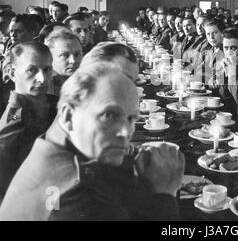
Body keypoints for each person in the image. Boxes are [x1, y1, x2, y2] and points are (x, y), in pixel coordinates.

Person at [0, 63, 185, 220]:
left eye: (130, 119)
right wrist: (165, 193)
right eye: (108, 115)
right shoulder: (78, 194)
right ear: (68, 116)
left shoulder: (51, 143)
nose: (125, 132)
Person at [0, 42, 58, 202]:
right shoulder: (12, 126)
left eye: (47, 70)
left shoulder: (56, 105)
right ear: (12, 73)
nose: (42, 78)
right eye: (32, 70)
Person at [45, 31, 83, 96]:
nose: (73, 61)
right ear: (50, 58)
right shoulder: (44, 88)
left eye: (77, 54)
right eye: (65, 55)